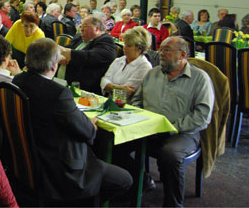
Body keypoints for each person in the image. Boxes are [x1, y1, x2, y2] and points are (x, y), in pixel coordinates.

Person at [13, 38, 132, 204]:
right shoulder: (58, 93)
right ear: (54, 65)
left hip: (27, 159)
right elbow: (87, 131)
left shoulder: (18, 81)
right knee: (124, 179)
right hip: (59, 167)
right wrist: (90, 124)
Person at [127, 37, 214, 207]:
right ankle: (140, 181)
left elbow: (202, 116)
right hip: (149, 128)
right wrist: (140, 118)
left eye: (167, 50)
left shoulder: (200, 79)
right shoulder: (153, 73)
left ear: (182, 54)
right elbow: (136, 100)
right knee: (114, 143)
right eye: (161, 49)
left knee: (170, 155)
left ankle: (173, 204)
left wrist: (172, 128)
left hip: (183, 132)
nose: (161, 54)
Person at [61, 15, 116, 95]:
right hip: (64, 81)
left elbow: (90, 56)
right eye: (81, 26)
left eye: (85, 26)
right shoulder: (79, 37)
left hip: (85, 87)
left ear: (97, 28)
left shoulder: (106, 40)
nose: (81, 29)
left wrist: (68, 54)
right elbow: (67, 48)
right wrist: (61, 55)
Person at [100, 26, 152, 96]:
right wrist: (119, 87)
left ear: (140, 48)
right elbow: (103, 81)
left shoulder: (144, 66)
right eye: (125, 44)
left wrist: (110, 87)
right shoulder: (118, 60)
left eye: (129, 45)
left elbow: (127, 92)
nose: (124, 47)